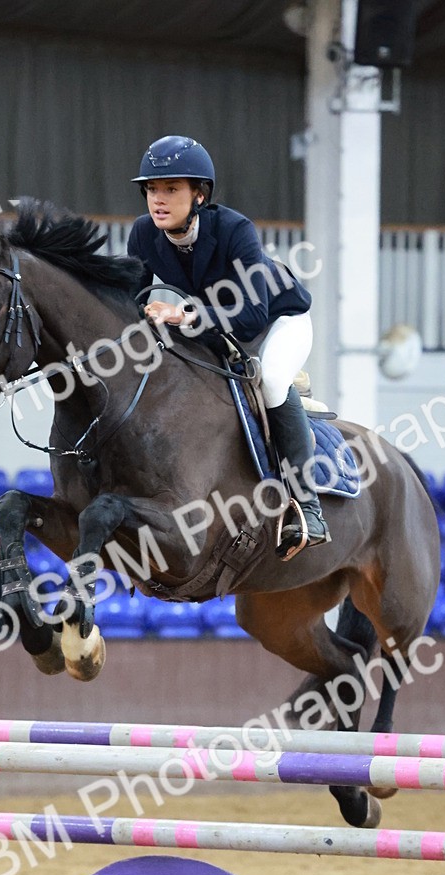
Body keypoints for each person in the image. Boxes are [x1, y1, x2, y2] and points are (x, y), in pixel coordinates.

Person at [127, 134, 329, 559]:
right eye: (151, 190)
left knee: (272, 380)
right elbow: (131, 300)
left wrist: (184, 315)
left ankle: (308, 506)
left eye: (171, 189)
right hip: (218, 329)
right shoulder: (144, 235)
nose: (157, 200)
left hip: (278, 321)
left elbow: (253, 315)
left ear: (199, 195)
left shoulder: (236, 230)